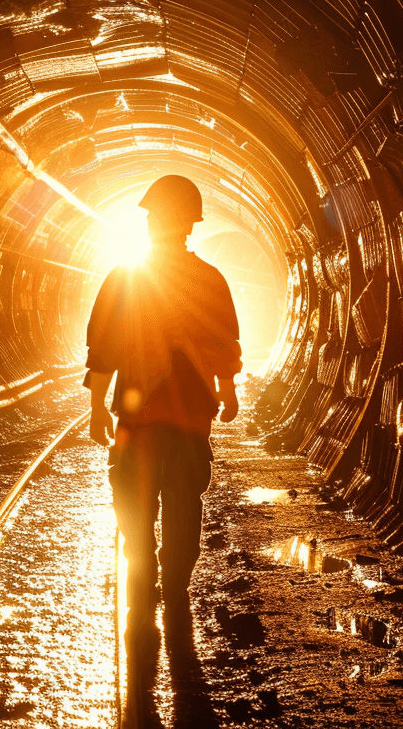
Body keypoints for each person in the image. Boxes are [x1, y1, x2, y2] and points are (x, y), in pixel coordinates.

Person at [85, 174, 241, 695]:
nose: (160, 223)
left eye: (160, 216)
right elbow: (224, 344)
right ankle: (172, 588)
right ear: (190, 225)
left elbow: (102, 347)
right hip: (188, 419)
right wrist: (227, 390)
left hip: (140, 418)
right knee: (182, 504)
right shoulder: (210, 279)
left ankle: (149, 579)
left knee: (135, 503)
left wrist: (97, 409)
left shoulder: (124, 278)